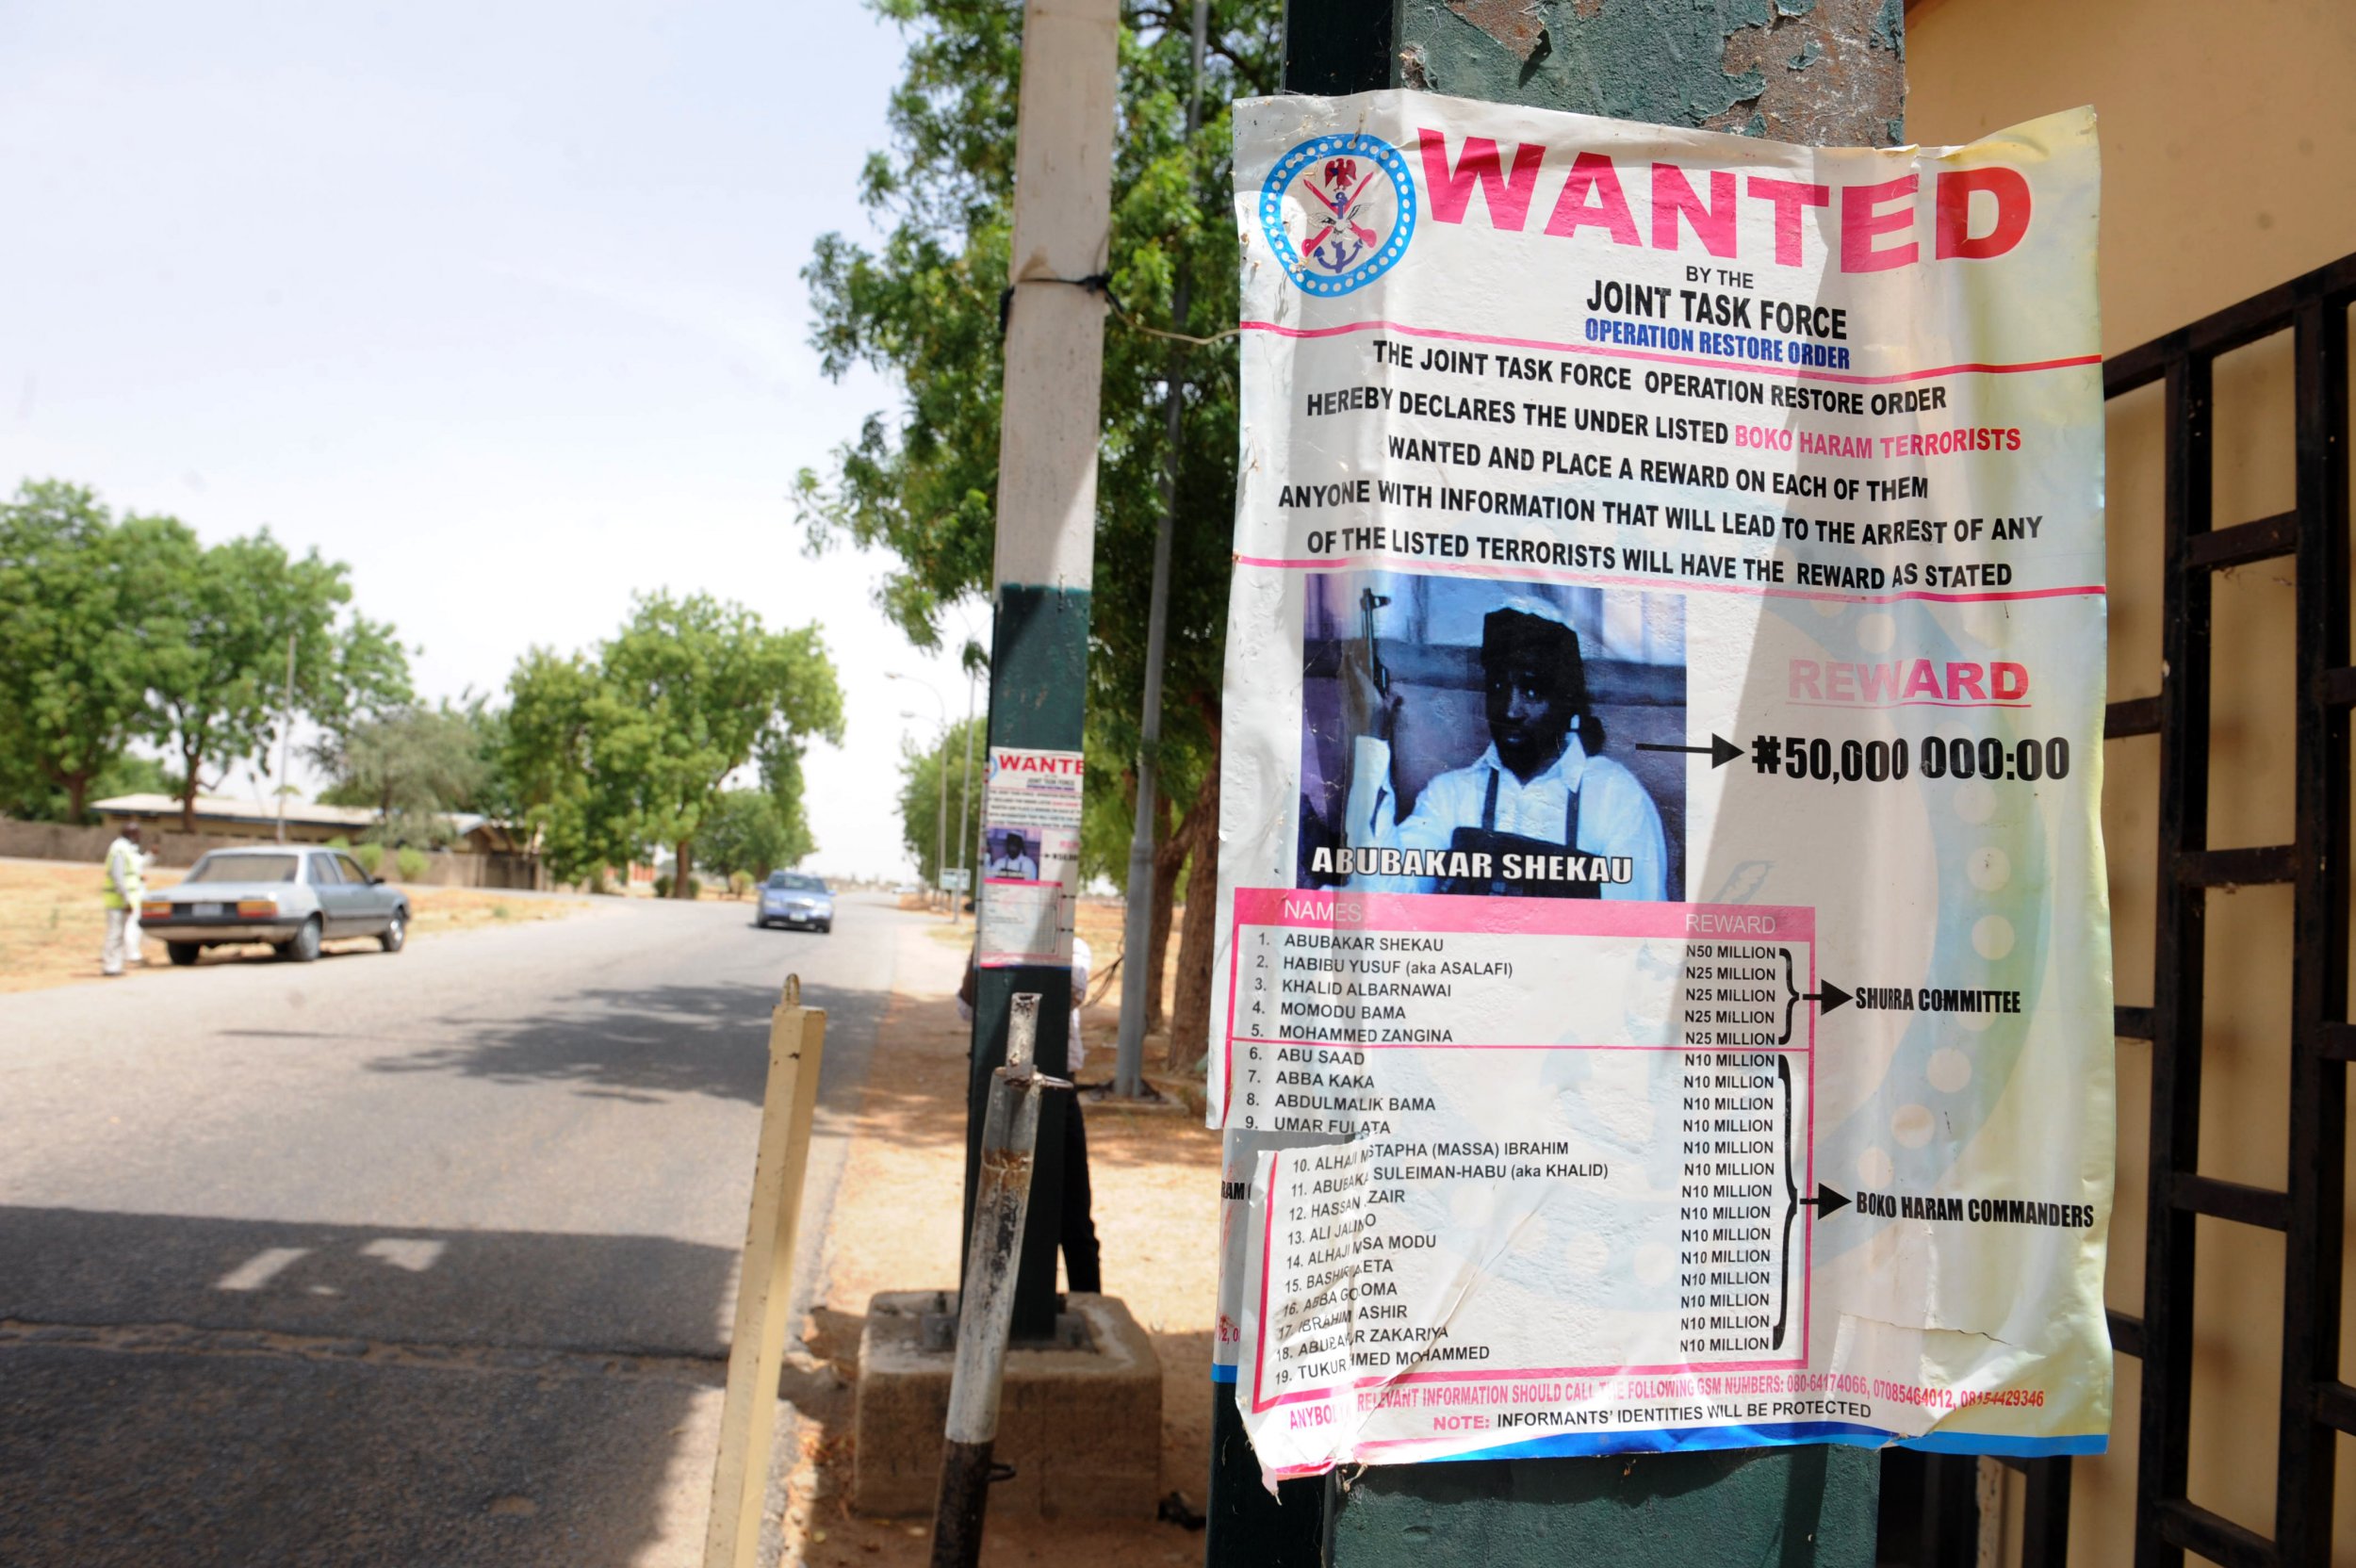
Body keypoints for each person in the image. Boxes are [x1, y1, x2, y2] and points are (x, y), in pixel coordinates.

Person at [1337, 596, 1668, 899]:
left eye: (1533, 691)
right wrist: (1372, 738)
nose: (1510, 710)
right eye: (1498, 687)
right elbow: (1381, 894)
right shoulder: (1451, 798)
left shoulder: (1616, 799)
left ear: (1566, 700)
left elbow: (1636, 940)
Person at [957, 934, 1102, 1294]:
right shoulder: (989, 945)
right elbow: (967, 1009)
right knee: (995, 1208)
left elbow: (1068, 997)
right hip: (997, 1091)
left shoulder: (1074, 946)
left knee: (1074, 1216)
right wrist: (983, 946)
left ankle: (1089, 1301)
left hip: (1055, 1093)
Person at [100, 821, 146, 976]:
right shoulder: (119, 848)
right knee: (115, 934)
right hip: (117, 900)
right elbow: (118, 876)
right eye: (137, 833)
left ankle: (116, 965)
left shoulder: (127, 848)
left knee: (119, 934)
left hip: (123, 900)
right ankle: (110, 966)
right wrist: (126, 899)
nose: (139, 836)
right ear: (131, 833)